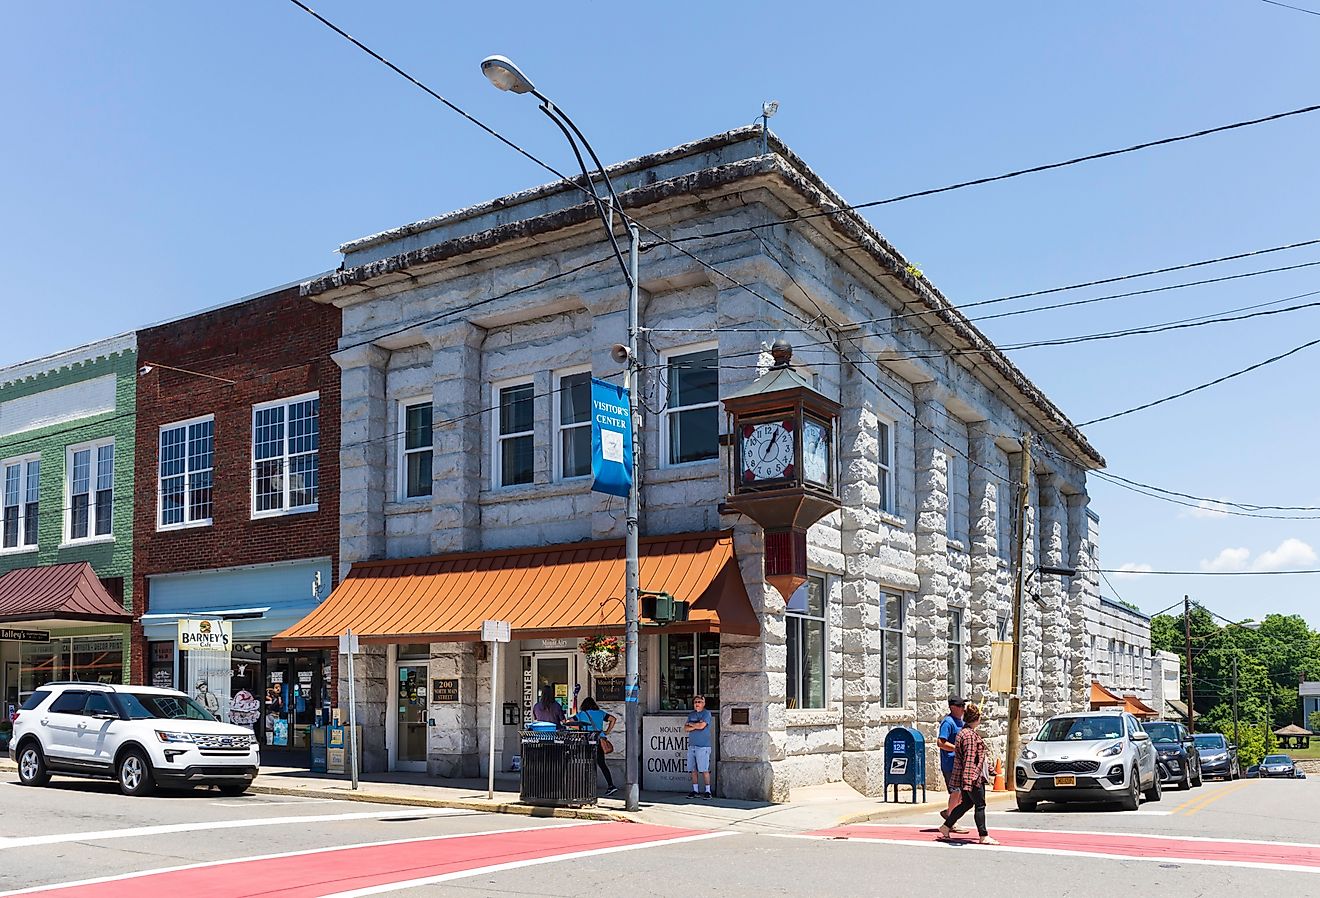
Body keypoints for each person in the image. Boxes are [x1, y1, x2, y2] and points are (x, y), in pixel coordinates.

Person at [939, 702, 998, 845]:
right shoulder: (970, 736)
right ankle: (983, 835)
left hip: (965, 776)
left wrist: (990, 770)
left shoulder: (963, 732)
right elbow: (970, 759)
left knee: (966, 803)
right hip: (973, 777)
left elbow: (978, 758)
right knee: (980, 805)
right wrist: (971, 779)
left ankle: (946, 826)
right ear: (976, 719)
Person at [570, 697, 618, 796]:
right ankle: (611, 785)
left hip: (587, 740)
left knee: (586, 763)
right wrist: (607, 731)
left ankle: (587, 788)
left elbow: (568, 722)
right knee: (602, 764)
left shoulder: (582, 714)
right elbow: (613, 719)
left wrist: (580, 728)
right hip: (599, 739)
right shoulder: (601, 713)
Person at [936, 696, 969, 833]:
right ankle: (951, 820)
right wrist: (957, 748)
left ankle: (949, 812)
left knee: (964, 794)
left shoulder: (961, 722)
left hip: (960, 763)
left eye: (963, 706)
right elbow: (940, 742)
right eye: (960, 706)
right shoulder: (948, 723)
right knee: (956, 792)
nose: (963, 709)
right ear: (952, 707)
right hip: (950, 763)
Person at [685, 694, 713, 799]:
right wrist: (695, 725)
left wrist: (692, 724)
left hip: (703, 746)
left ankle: (707, 791)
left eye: (700, 702)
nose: (697, 704)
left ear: (704, 704)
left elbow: (702, 726)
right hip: (692, 745)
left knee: (704, 769)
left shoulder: (706, 714)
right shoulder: (691, 714)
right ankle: (695, 790)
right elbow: (685, 728)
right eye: (696, 702)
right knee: (693, 770)